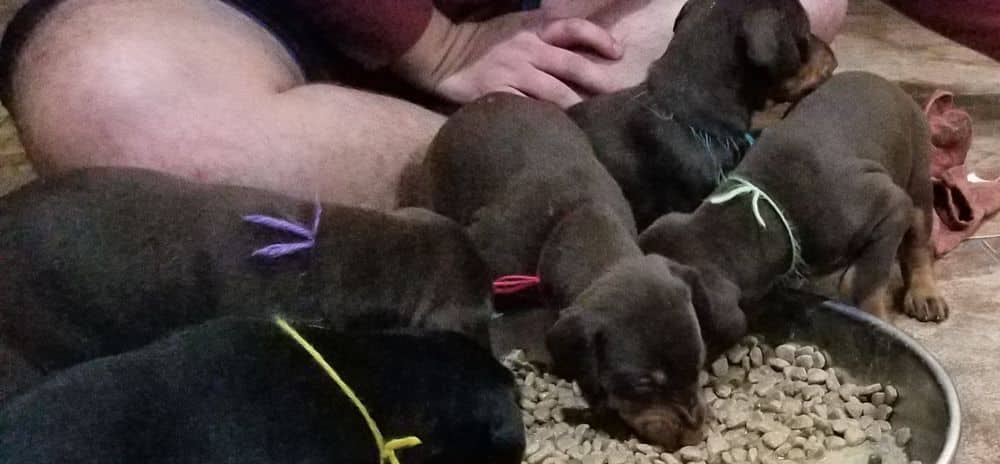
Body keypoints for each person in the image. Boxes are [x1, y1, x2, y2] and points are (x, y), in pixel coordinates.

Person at [0, 0, 847, 210]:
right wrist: (427, 42)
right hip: (242, 21)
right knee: (113, 103)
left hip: (532, 20)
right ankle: (573, 177)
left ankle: (553, 177)